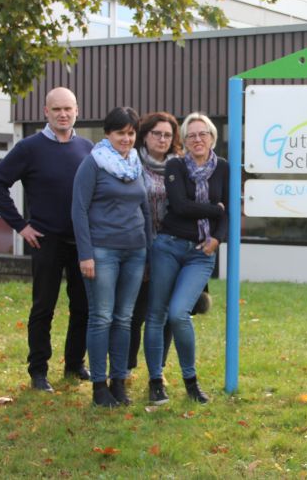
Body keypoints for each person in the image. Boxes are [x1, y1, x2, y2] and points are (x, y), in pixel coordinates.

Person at [0, 87, 92, 392]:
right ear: (46, 112)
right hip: (45, 241)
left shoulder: (87, 148)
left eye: (68, 109)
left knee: (83, 307)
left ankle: (75, 364)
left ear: (77, 111)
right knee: (43, 307)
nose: (63, 114)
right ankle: (38, 371)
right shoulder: (29, 148)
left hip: (82, 242)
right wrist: (21, 226)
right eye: (56, 109)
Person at [144, 112, 229, 405]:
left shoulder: (224, 169)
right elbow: (179, 206)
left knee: (179, 313)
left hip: (200, 253)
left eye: (202, 134)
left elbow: (230, 211)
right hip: (167, 245)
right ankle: (155, 381)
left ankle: (190, 381)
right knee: (155, 314)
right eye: (191, 135)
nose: (197, 139)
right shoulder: (175, 165)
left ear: (212, 138)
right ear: (185, 140)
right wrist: (215, 210)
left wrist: (217, 238)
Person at [72, 107, 152, 407]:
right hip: (102, 251)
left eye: (131, 133)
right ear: (108, 133)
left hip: (135, 250)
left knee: (124, 319)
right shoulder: (93, 163)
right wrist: (86, 254)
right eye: (121, 133)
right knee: (102, 317)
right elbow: (78, 209)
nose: (127, 139)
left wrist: (148, 252)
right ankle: (99, 387)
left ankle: (119, 383)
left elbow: (144, 208)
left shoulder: (135, 164)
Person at [127, 112, 182, 375]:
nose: (162, 139)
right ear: (144, 135)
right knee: (134, 312)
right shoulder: (131, 163)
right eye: (156, 133)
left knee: (165, 312)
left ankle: (158, 367)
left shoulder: (180, 166)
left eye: (168, 135)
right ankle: (126, 367)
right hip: (137, 245)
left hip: (170, 247)